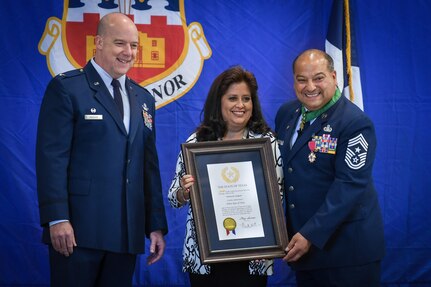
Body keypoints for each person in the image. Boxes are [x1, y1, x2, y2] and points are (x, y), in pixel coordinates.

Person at [36, 12, 168, 286]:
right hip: (77, 232)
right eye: (120, 43)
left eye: (133, 45)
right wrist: (57, 218)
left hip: (126, 234)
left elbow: (148, 166)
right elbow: (52, 159)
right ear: (98, 42)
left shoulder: (143, 98)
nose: (128, 52)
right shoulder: (67, 88)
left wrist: (155, 225)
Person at [275, 49, 385, 286]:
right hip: (305, 249)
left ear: (334, 77)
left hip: (348, 252)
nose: (310, 86)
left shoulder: (355, 123)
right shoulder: (287, 114)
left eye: (319, 77)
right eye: (301, 79)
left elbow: (349, 185)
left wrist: (310, 234)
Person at [167, 66, 284, 287]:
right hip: (205, 255)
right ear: (219, 102)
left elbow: (276, 196)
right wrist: (185, 191)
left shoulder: (267, 142)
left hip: (254, 254)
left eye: (246, 98)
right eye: (232, 98)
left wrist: (269, 240)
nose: (240, 105)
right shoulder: (198, 142)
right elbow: (174, 198)